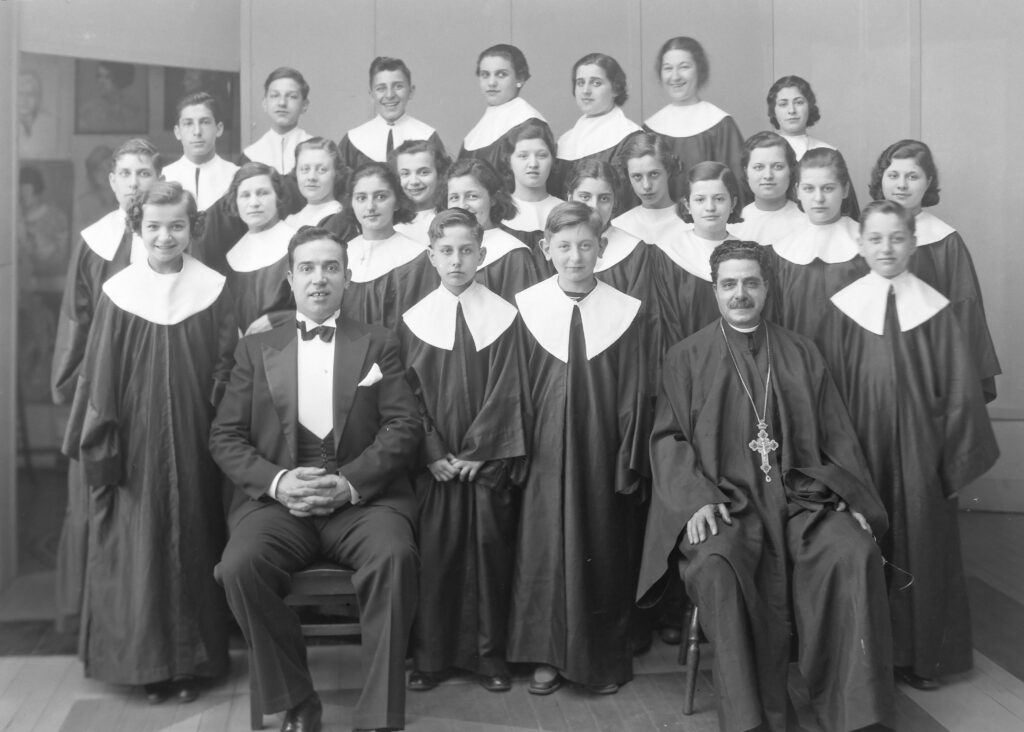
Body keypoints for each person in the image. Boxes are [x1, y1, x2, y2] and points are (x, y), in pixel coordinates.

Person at [637, 240, 894, 732]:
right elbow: (668, 439)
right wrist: (695, 500)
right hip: (729, 507)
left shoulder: (801, 352)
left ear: (767, 287)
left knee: (853, 550)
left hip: (802, 503)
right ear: (714, 290)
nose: (740, 294)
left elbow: (837, 434)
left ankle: (857, 713)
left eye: (750, 283)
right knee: (716, 565)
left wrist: (852, 496)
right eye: (729, 284)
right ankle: (751, 720)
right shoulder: (685, 357)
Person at [211, 225, 422, 732]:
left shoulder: (378, 341)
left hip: (361, 501)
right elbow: (225, 436)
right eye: (307, 268)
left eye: (331, 267)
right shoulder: (256, 348)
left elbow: (404, 424)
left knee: (395, 557)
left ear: (347, 278)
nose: (319, 279)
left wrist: (350, 481)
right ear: (290, 277)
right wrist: (279, 482)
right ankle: (297, 698)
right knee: (239, 567)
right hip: (280, 504)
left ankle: (379, 715)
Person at [817, 200, 1000, 692]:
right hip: (861, 453)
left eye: (897, 238)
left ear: (913, 243)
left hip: (923, 458)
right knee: (863, 545)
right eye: (875, 238)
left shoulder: (936, 310)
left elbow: (960, 396)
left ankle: (922, 658)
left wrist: (947, 466)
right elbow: (826, 393)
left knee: (922, 545)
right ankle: (866, 659)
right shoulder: (840, 311)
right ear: (860, 244)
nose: (887, 248)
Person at [66, 181, 234, 703]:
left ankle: (191, 665)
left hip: (195, 440)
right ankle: (146, 666)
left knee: (194, 538)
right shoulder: (120, 292)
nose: (165, 236)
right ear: (138, 228)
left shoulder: (215, 289)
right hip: (133, 444)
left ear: (193, 228)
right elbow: (99, 380)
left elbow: (228, 368)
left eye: (177, 226)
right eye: (155, 226)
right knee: (140, 545)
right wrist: (103, 448)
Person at [509, 202, 648, 696]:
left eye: (585, 246)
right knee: (544, 549)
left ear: (602, 249)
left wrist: (626, 457)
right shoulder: (526, 307)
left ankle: (597, 657)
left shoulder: (625, 311)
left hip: (600, 451)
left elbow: (634, 392)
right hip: (544, 452)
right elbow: (515, 388)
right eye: (564, 247)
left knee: (601, 546)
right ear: (546, 250)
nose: (575, 257)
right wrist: (519, 453)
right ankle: (545, 654)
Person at [398, 208, 530, 694]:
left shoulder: (504, 317)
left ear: (483, 254)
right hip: (434, 469)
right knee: (435, 557)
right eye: (447, 251)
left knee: (490, 554)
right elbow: (405, 394)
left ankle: (489, 656)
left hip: (484, 467)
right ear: (431, 256)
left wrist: (481, 450)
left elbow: (509, 389)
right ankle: (431, 657)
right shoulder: (412, 321)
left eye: (466, 250)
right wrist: (431, 450)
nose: (457, 260)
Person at [51, 138, 159, 627]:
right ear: (112, 181)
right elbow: (76, 317)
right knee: (104, 500)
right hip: (103, 385)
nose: (135, 183)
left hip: (158, 386)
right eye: (127, 174)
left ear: (158, 178)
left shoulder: (167, 235)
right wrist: (75, 384)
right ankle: (103, 621)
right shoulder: (94, 240)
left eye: (144, 173)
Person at [869, 138, 1000, 402]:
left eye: (912, 176)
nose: (902, 185)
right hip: (872, 372)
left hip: (929, 372)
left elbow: (964, 317)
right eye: (893, 175)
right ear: (881, 179)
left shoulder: (945, 242)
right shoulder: (862, 235)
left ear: (928, 182)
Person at [771, 147, 866, 339]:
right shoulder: (782, 251)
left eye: (828, 188)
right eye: (809, 188)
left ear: (845, 189)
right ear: (797, 191)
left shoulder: (865, 246)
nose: (818, 198)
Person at [340, 162, 438, 328]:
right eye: (361, 198)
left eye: (381, 197)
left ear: (397, 202)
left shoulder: (419, 260)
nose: (370, 207)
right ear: (352, 203)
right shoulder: (342, 254)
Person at [644, 37, 745, 186]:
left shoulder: (721, 125)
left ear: (699, 70)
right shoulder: (649, 129)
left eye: (684, 67)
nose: (675, 76)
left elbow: (737, 186)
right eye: (668, 68)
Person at [656, 161, 737, 347]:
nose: (710, 207)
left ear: (733, 203)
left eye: (719, 198)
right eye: (700, 199)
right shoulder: (669, 254)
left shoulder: (747, 254)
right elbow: (665, 325)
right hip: (685, 358)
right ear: (687, 205)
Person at [446, 157, 541, 301]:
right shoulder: (439, 250)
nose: (462, 205)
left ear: (492, 199)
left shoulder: (513, 254)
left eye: (472, 196)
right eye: (454, 198)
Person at [550, 53, 642, 203]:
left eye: (596, 83)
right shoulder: (565, 141)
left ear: (615, 89)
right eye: (580, 83)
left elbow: (630, 201)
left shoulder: (632, 139)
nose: (586, 90)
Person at [766, 75, 859, 218]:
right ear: (774, 110)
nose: (792, 110)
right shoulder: (762, 153)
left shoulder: (829, 153)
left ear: (809, 106)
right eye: (783, 104)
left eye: (798, 102)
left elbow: (848, 210)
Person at [221, 163, 297, 335]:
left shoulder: (298, 245)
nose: (254, 202)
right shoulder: (232, 256)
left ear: (278, 197)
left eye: (263, 193)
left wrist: (277, 320)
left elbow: (321, 307)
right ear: (235, 202)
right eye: (245, 195)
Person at [338, 56, 447, 171]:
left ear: (411, 91)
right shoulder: (353, 141)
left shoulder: (428, 137)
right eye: (381, 88)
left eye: (398, 86)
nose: (390, 95)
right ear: (371, 95)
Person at [459, 44, 547, 170]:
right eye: (485, 75)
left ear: (520, 78)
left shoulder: (530, 125)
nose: (491, 83)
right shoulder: (473, 135)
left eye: (501, 75)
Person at [499, 120, 564, 266]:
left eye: (541, 155)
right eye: (523, 156)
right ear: (508, 160)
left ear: (552, 159)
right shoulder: (498, 213)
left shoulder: (565, 210)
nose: (533, 164)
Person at [162, 91, 239, 211]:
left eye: (205, 122)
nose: (197, 131)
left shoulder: (235, 176)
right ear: (177, 132)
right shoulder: (165, 176)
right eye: (188, 123)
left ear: (219, 129)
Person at [610, 131, 688, 248]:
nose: (646, 186)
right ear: (628, 176)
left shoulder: (691, 224)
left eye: (654, 174)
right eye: (637, 176)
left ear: (668, 170)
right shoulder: (618, 227)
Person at [732, 131, 805, 247]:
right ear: (746, 172)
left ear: (791, 170)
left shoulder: (806, 221)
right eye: (758, 167)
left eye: (778, 167)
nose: (768, 175)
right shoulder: (735, 225)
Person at [242, 67, 313, 175]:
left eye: (292, 97)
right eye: (275, 96)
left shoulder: (317, 151)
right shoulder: (250, 156)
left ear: (304, 105)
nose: (282, 103)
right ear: (265, 103)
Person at [391, 138, 451, 245]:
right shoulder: (391, 224)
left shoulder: (451, 219)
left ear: (440, 174)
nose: (414, 181)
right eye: (405, 174)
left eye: (423, 172)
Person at [284, 137, 349, 229]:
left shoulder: (338, 217)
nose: (311, 177)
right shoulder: (290, 221)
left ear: (336, 173)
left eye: (322, 170)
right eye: (305, 169)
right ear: (296, 172)